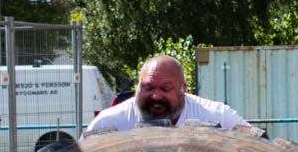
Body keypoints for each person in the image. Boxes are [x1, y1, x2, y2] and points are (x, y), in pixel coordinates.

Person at [85, 55, 250, 132]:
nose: (156, 96)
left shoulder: (218, 116)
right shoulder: (107, 123)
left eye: (165, 89)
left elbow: (260, 151)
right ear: (137, 88)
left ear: (183, 90)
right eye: (148, 88)